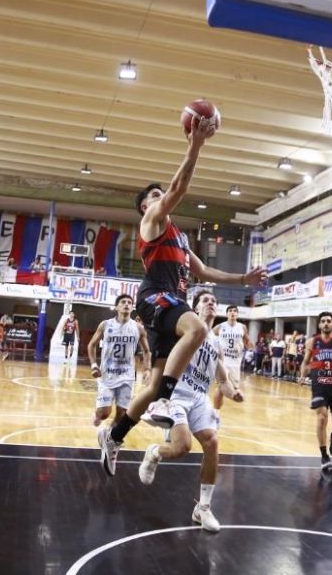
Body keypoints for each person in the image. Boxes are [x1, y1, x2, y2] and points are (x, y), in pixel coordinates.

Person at [98, 116, 266, 476]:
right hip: (155, 296)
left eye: (160, 194)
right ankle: (163, 401)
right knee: (199, 329)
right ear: (145, 207)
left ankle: (114, 435)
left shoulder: (180, 237)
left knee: (155, 383)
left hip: (170, 304)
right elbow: (179, 187)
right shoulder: (152, 222)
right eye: (154, 195)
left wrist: (243, 278)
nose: (160, 196)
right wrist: (195, 145)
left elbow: (203, 272)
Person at [137, 291, 243, 532]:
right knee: (182, 447)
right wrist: (151, 371)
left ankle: (203, 508)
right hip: (176, 392)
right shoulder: (185, 330)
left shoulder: (216, 343)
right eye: (205, 300)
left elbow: (222, 380)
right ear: (195, 309)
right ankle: (154, 452)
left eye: (214, 301)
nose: (211, 303)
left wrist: (233, 393)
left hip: (199, 397)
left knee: (212, 442)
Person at [299, 312, 332, 473]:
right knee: (322, 417)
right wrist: (302, 375)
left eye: (329, 321)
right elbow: (305, 362)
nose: (326, 323)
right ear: (319, 325)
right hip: (320, 384)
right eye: (323, 321)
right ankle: (324, 455)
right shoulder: (312, 342)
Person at [88, 295, 151, 427]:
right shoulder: (105, 325)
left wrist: (147, 369)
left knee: (122, 414)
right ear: (117, 307)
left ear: (132, 307)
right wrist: (94, 365)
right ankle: (98, 415)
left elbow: (146, 350)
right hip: (107, 374)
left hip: (127, 375)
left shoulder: (138, 328)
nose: (126, 304)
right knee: (104, 413)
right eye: (123, 302)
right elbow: (92, 344)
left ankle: (109, 436)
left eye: (129, 302)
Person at [212, 304, 252, 410]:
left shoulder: (242, 327)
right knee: (222, 386)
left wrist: (248, 347)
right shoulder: (220, 327)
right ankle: (215, 411)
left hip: (236, 362)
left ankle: (217, 410)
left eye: (235, 311)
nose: (232, 312)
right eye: (230, 311)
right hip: (223, 361)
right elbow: (209, 337)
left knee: (231, 388)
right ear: (227, 314)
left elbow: (247, 340)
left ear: (237, 314)